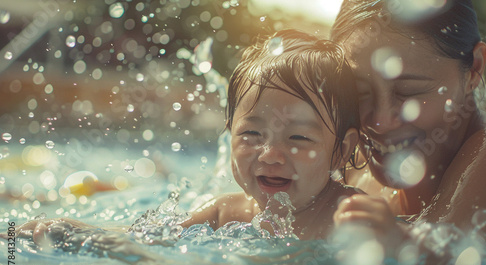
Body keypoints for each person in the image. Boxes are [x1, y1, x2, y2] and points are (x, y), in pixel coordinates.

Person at [6, 29, 362, 243]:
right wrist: (72, 230)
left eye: (298, 138)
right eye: (252, 132)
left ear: (341, 152)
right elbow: (142, 241)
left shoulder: (349, 214)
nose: (270, 154)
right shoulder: (226, 210)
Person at [330, 0, 486, 247]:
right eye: (358, 91)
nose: (381, 122)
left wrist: (399, 247)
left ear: (474, 68)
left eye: (409, 91)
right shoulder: (354, 172)